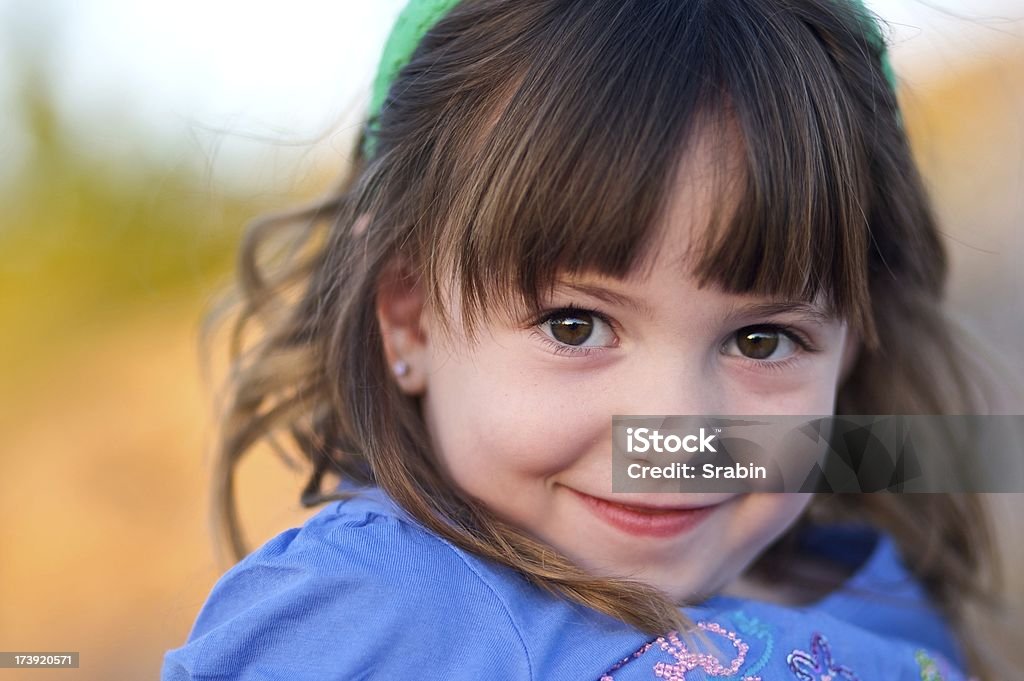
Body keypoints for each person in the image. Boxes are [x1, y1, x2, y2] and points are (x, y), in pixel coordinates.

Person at [162, 0, 1013, 678]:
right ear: (410, 318)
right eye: (576, 325)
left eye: (761, 340)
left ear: (853, 342)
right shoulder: (373, 612)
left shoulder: (883, 598)